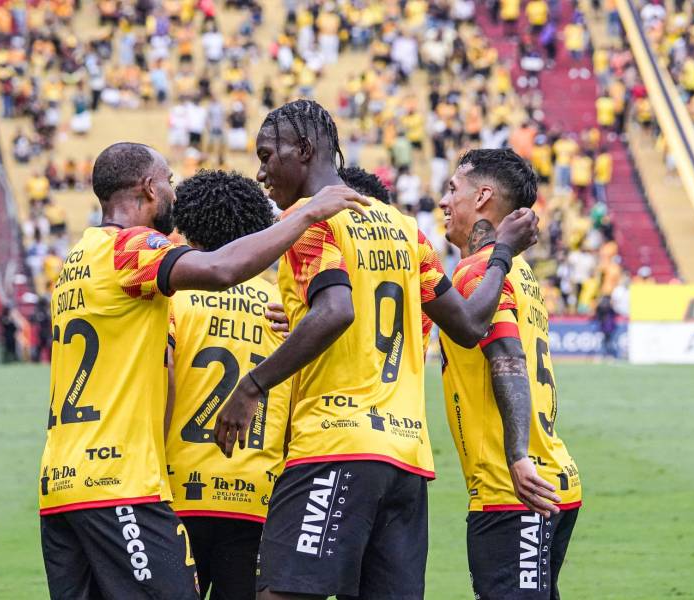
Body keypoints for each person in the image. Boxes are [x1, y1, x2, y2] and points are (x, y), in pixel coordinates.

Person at [213, 100, 539, 600]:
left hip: (335, 443)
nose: (260, 172)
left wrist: (251, 386)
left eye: (267, 154)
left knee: (283, 593)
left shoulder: (308, 218)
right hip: (406, 462)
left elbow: (336, 311)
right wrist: (502, 252)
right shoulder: (405, 229)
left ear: (303, 150)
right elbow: (471, 325)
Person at [38, 141, 368, 599]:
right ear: (150, 188)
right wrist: (305, 216)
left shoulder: (78, 258)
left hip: (60, 486)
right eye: (170, 182)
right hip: (120, 483)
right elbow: (220, 268)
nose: (174, 193)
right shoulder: (133, 247)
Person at [437, 149, 582, 599]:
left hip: (513, 488)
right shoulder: (518, 272)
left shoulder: (480, 271)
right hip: (552, 480)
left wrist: (517, 455)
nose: (444, 202)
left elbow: (508, 359)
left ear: (482, 197)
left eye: (452, 190)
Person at [165, 170, 292, 600]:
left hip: (177, 493)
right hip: (258, 498)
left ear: (184, 224)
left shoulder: (171, 298)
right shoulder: (284, 308)